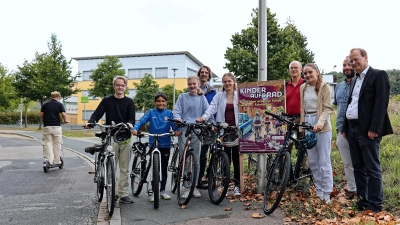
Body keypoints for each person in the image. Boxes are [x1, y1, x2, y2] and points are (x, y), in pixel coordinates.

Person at [344, 48, 393, 212]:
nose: (353, 63)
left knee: (372, 168)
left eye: (356, 59)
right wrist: (345, 127)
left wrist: (374, 128)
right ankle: (363, 201)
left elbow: (381, 104)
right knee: (358, 168)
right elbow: (351, 104)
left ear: (365, 58)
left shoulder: (378, 75)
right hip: (352, 129)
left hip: (368, 130)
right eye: (351, 60)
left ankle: (375, 205)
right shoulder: (355, 79)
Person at [85, 76, 135, 204]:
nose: (120, 87)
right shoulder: (107, 101)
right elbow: (97, 113)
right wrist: (91, 122)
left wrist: (129, 124)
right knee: (111, 164)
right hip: (111, 136)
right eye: (118, 85)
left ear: (126, 87)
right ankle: (112, 190)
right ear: (114, 86)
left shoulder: (129, 102)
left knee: (124, 167)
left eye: (122, 85)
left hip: (125, 137)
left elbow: (131, 118)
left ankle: (123, 193)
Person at [131, 92, 181, 202]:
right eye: (158, 101)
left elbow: (173, 125)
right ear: (155, 102)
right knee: (155, 168)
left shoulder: (169, 113)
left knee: (163, 168)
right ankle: (154, 191)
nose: (160, 103)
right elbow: (142, 121)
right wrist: (135, 128)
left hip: (165, 143)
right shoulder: (151, 112)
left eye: (163, 101)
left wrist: (177, 131)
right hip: (153, 142)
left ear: (166, 102)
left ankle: (162, 190)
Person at [197, 72, 241, 196]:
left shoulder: (240, 95)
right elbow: (212, 108)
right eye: (225, 81)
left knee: (237, 159)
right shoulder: (219, 96)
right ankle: (224, 184)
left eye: (229, 81)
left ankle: (237, 185)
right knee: (225, 158)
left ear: (233, 82)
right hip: (224, 130)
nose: (227, 83)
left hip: (237, 130)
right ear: (223, 83)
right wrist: (204, 117)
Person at [300, 63, 333, 203]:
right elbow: (303, 108)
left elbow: (327, 108)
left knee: (323, 160)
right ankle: (319, 190)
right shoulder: (303, 87)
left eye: (310, 72)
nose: (307, 75)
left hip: (322, 124)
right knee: (313, 160)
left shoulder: (325, 87)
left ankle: (327, 193)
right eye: (305, 73)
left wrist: (319, 123)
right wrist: (302, 127)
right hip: (308, 122)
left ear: (317, 72)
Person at [174, 75, 210, 198]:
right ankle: (186, 186)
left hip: (196, 130)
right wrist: (177, 118)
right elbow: (177, 110)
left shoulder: (202, 98)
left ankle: (194, 186)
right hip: (184, 128)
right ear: (187, 85)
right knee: (185, 158)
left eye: (194, 84)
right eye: (190, 84)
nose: (192, 86)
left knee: (196, 159)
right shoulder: (182, 97)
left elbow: (207, 112)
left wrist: (203, 119)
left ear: (198, 84)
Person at [333, 56, 357, 199]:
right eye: (344, 65)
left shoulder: (360, 83)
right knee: (347, 162)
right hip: (341, 129)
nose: (346, 67)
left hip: (356, 128)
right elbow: (338, 106)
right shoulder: (339, 86)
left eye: (349, 64)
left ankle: (363, 189)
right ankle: (352, 188)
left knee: (359, 161)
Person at [196, 66, 217, 189]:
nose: (204, 74)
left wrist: (214, 123)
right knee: (195, 154)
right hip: (195, 124)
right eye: (202, 72)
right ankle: (192, 179)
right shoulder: (193, 88)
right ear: (199, 75)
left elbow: (214, 109)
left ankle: (202, 179)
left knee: (204, 154)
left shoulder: (213, 92)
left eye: (206, 73)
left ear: (209, 76)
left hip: (208, 126)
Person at [40, 91, 68, 165]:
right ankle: (56, 161)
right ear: (58, 97)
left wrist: (45, 120)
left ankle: (49, 160)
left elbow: (41, 115)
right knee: (57, 144)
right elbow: (64, 115)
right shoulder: (59, 104)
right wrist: (65, 121)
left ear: (51, 97)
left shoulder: (45, 105)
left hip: (47, 126)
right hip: (57, 126)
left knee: (47, 143)